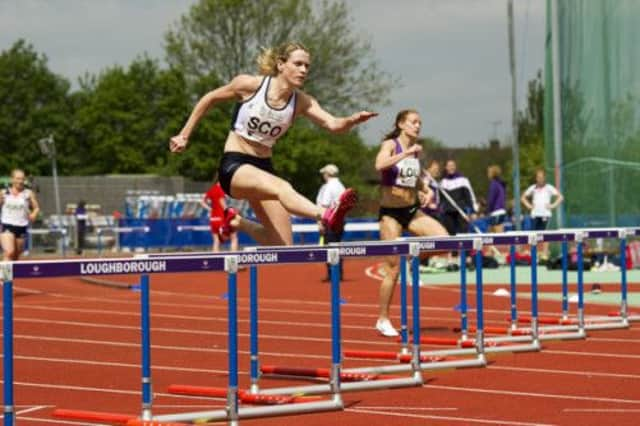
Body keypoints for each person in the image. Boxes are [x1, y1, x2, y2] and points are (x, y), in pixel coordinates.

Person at [170, 42, 376, 246]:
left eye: (307, 66)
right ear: (281, 64)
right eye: (298, 64)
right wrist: (184, 135)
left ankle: (238, 221)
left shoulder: (302, 102)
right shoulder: (250, 85)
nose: (303, 70)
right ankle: (325, 214)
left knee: (283, 246)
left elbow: (332, 124)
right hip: (235, 166)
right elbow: (209, 98)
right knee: (283, 187)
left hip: (264, 168)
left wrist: (351, 120)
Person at [374, 110, 448, 337]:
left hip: (411, 210)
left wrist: (425, 190)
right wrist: (406, 152)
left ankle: (411, 256)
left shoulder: (415, 152)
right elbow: (380, 165)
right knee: (392, 270)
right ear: (401, 124)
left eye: (420, 123)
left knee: (444, 241)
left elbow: (410, 177)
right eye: (414, 122)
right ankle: (383, 319)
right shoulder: (391, 144)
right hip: (390, 214)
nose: (418, 126)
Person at [521, 168, 564, 260]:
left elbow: (560, 197)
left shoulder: (549, 187)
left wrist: (552, 205)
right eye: (538, 177)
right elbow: (523, 197)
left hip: (545, 215)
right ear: (536, 178)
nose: (540, 179)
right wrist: (529, 206)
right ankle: (534, 254)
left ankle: (545, 254)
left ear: (544, 178)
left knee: (545, 235)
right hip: (535, 215)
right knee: (533, 235)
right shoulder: (532, 188)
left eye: (541, 177)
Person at [1, 169, 40, 261]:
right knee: (9, 252)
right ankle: (3, 275)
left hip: (21, 227)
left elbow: (36, 207)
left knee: (15, 256)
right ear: (12, 179)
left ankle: (10, 275)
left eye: (22, 179)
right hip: (7, 225)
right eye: (18, 178)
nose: (20, 181)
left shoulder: (28, 193)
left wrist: (34, 214)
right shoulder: (4, 192)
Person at [316, 164, 346, 281]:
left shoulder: (329, 187)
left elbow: (325, 206)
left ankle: (332, 274)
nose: (323, 176)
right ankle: (338, 273)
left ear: (327, 174)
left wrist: (321, 223)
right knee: (336, 247)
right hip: (340, 220)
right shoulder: (341, 186)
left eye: (324, 174)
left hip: (330, 221)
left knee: (329, 248)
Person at [439, 159, 478, 235]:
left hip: (461, 212)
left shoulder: (463, 180)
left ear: (455, 167)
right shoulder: (442, 182)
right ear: (446, 168)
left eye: (452, 166)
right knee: (450, 236)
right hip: (448, 213)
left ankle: (464, 247)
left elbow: (470, 197)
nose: (451, 168)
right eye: (449, 166)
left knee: (463, 235)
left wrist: (473, 211)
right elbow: (440, 200)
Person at [200, 177, 238, 252]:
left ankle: (215, 261)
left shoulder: (212, 189)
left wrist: (210, 209)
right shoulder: (220, 190)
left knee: (216, 240)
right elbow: (222, 204)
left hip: (213, 219)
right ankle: (233, 260)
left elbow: (201, 202)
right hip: (222, 218)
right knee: (234, 238)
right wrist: (231, 212)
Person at [420, 159, 444, 224]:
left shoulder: (435, 182)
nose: (436, 171)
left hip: (436, 211)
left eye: (437, 169)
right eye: (434, 169)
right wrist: (429, 204)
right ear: (428, 169)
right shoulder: (425, 180)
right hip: (428, 211)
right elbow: (423, 194)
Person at [486, 165, 507, 233]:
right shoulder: (500, 184)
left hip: (496, 212)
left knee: (498, 236)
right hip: (501, 211)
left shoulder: (494, 184)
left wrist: (488, 210)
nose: (488, 174)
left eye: (489, 172)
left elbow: (491, 199)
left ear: (493, 173)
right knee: (490, 233)